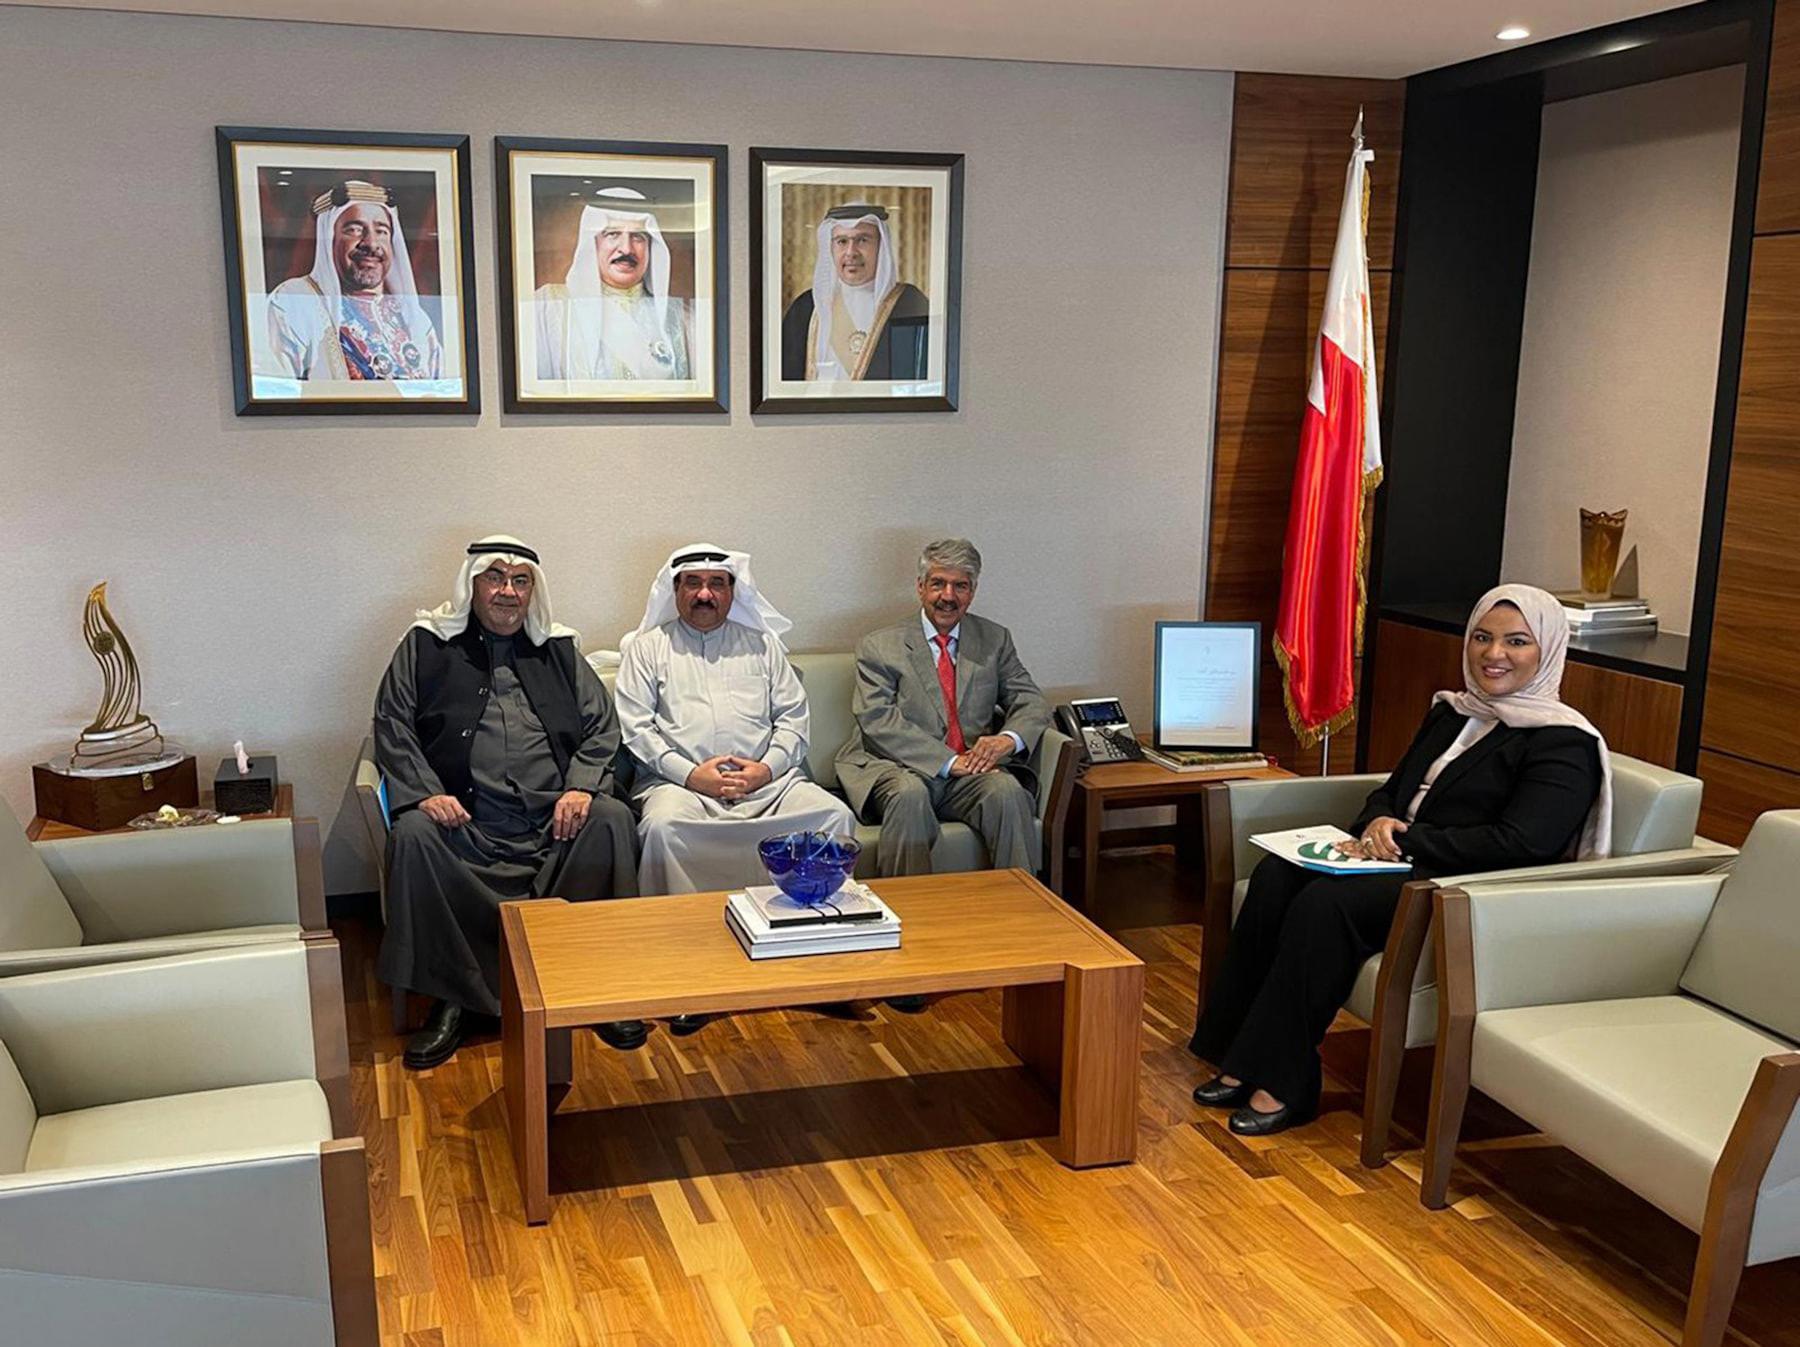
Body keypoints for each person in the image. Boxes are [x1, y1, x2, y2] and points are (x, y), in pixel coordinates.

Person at [1189, 584, 1613, 1137]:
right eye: (1482, 637)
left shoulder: (1563, 743)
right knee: (1277, 875)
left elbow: (1521, 842)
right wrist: (1377, 821)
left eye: (1516, 642)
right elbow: (1394, 789)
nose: (1494, 654)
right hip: (1399, 858)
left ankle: (1285, 1081)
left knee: (1326, 905)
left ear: (1549, 650)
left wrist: (1406, 840)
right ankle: (1238, 1054)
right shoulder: (1453, 712)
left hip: (1462, 886)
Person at [374, 535, 638, 1070]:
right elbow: (392, 725)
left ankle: (595, 981)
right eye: (495, 577)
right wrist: (426, 793)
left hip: (551, 823)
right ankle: (451, 998)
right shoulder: (425, 645)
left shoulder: (559, 650)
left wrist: (581, 786)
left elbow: (602, 728)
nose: (508, 591)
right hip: (466, 823)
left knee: (610, 818)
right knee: (414, 837)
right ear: (471, 585)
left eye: (520, 581)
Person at [615, 543, 857, 897]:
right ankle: (678, 925)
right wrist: (692, 775)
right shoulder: (647, 649)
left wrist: (766, 770)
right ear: (675, 589)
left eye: (717, 583)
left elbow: (793, 720)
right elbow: (637, 730)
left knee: (833, 815)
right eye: (693, 582)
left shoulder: (763, 645)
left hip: (769, 788)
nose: (704, 594)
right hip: (680, 788)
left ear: (732, 591)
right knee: (663, 827)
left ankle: (815, 916)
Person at [837, 539, 1050, 880]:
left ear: (972, 591)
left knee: (1008, 792)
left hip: (970, 774)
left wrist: (1007, 740)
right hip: (898, 767)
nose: (948, 596)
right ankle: (910, 906)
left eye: (960, 586)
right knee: (909, 795)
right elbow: (877, 719)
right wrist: (949, 762)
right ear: (920, 587)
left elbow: (1031, 701)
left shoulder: (995, 639)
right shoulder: (880, 645)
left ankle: (1019, 904)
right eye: (938, 583)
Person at [263, 179, 443, 381]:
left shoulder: (416, 320)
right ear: (329, 237)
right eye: (354, 230)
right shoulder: (294, 301)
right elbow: (278, 389)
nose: (371, 243)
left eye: (381, 231)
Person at [533, 188, 691, 382]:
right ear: (593, 244)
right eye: (613, 234)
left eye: (638, 237)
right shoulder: (548, 307)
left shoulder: (680, 318)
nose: (626, 248)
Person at [780, 204, 929, 382]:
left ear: (881, 246)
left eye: (863, 240)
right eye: (842, 241)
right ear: (831, 248)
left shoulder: (909, 303)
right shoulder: (806, 307)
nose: (851, 252)